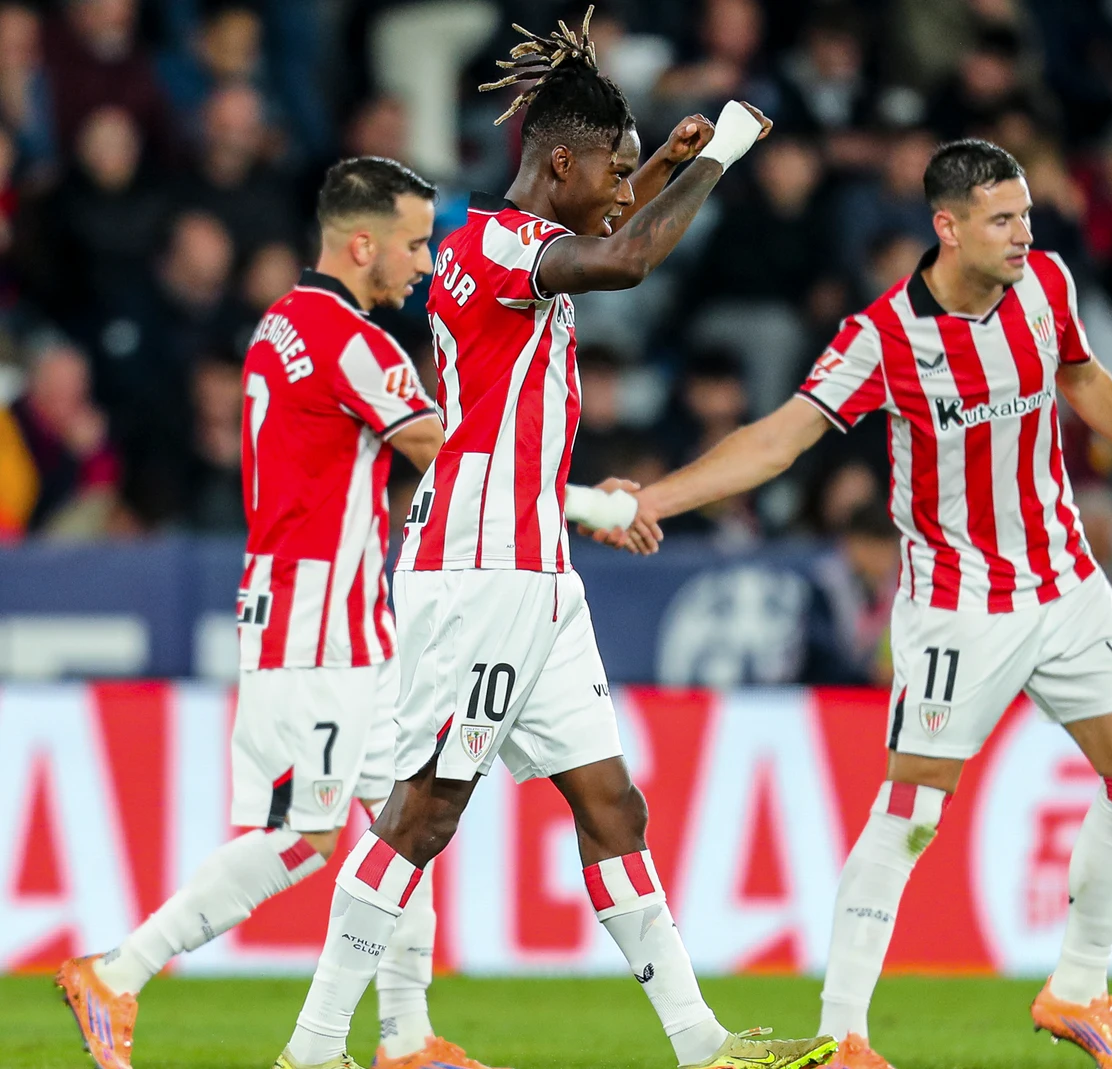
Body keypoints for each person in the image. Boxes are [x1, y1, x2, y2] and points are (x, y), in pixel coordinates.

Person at [270, 13, 834, 1069]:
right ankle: (307, 1054)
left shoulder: (530, 244)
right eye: (610, 169)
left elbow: (598, 253)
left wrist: (655, 163)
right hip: (481, 573)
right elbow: (623, 260)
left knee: (612, 804)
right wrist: (712, 155)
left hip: (535, 563)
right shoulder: (491, 245)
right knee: (424, 814)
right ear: (557, 162)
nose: (623, 188)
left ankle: (704, 1044)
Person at [627, 138, 1112, 1069]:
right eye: (1002, 219)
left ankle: (1077, 988)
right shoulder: (883, 339)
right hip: (958, 602)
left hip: (1064, 577)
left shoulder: (1048, 285)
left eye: (1025, 214)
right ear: (947, 228)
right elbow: (779, 440)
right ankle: (843, 1032)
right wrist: (657, 497)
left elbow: (1084, 376)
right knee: (911, 812)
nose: (1025, 233)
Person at [53, 156, 493, 1069]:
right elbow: (445, 449)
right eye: (415, 243)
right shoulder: (355, 345)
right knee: (305, 840)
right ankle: (119, 972)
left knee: (406, 824)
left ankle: (407, 1042)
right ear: (361, 243)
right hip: (315, 629)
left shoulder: (281, 324)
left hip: (346, 626)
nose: (424, 260)